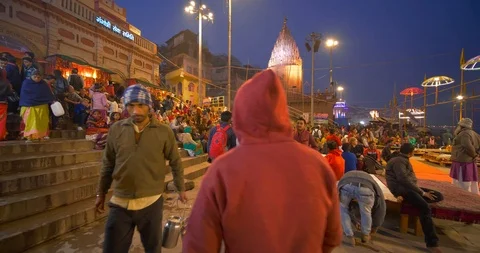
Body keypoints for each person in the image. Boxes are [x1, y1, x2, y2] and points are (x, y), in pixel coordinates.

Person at [183, 69, 342, 253]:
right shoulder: (318, 165)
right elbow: (332, 237)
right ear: (283, 113)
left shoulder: (223, 169)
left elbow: (199, 245)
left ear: (241, 115)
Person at [95, 84, 187, 253]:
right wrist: (101, 192)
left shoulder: (164, 131)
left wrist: (181, 188)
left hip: (151, 202)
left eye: (140, 105)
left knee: (153, 248)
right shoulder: (116, 129)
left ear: (149, 106)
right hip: (120, 202)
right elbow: (108, 164)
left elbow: (175, 161)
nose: (136, 111)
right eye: (131, 105)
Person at [386, 143, 444, 253]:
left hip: (410, 189)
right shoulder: (399, 161)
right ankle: (432, 243)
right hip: (403, 190)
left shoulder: (402, 159)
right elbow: (403, 179)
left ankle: (416, 200)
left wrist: (420, 192)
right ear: (411, 152)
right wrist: (421, 193)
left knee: (438, 195)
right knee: (425, 208)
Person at [338, 170, 386, 246]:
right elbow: (381, 206)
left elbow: (339, 200)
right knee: (366, 212)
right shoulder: (373, 182)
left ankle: (349, 236)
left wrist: (355, 221)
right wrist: (375, 226)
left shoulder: (344, 177)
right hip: (366, 188)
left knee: (343, 209)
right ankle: (365, 235)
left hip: (346, 186)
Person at [19, 71, 55, 142]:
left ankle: (39, 136)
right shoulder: (26, 83)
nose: (37, 78)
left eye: (38, 77)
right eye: (34, 77)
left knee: (41, 122)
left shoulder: (44, 84)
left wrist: (52, 100)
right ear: (31, 76)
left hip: (42, 106)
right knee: (30, 122)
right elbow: (24, 94)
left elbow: (48, 94)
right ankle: (29, 136)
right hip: (29, 105)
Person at [450, 118, 480, 194]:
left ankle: (463, 196)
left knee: (462, 182)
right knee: (472, 182)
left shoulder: (464, 134)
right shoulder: (475, 134)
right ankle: (473, 197)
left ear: (462, 126)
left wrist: (474, 155)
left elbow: (467, 146)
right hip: (470, 161)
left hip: (462, 161)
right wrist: (475, 155)